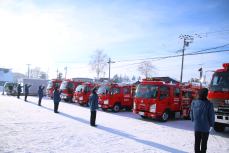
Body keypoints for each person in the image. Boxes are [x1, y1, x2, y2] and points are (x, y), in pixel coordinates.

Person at [190, 88, 215, 153]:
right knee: (204, 144)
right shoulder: (209, 104)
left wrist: (192, 119)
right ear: (206, 94)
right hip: (205, 128)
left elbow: (191, 112)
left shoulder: (194, 102)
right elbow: (211, 115)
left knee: (197, 142)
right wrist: (212, 124)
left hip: (197, 126)